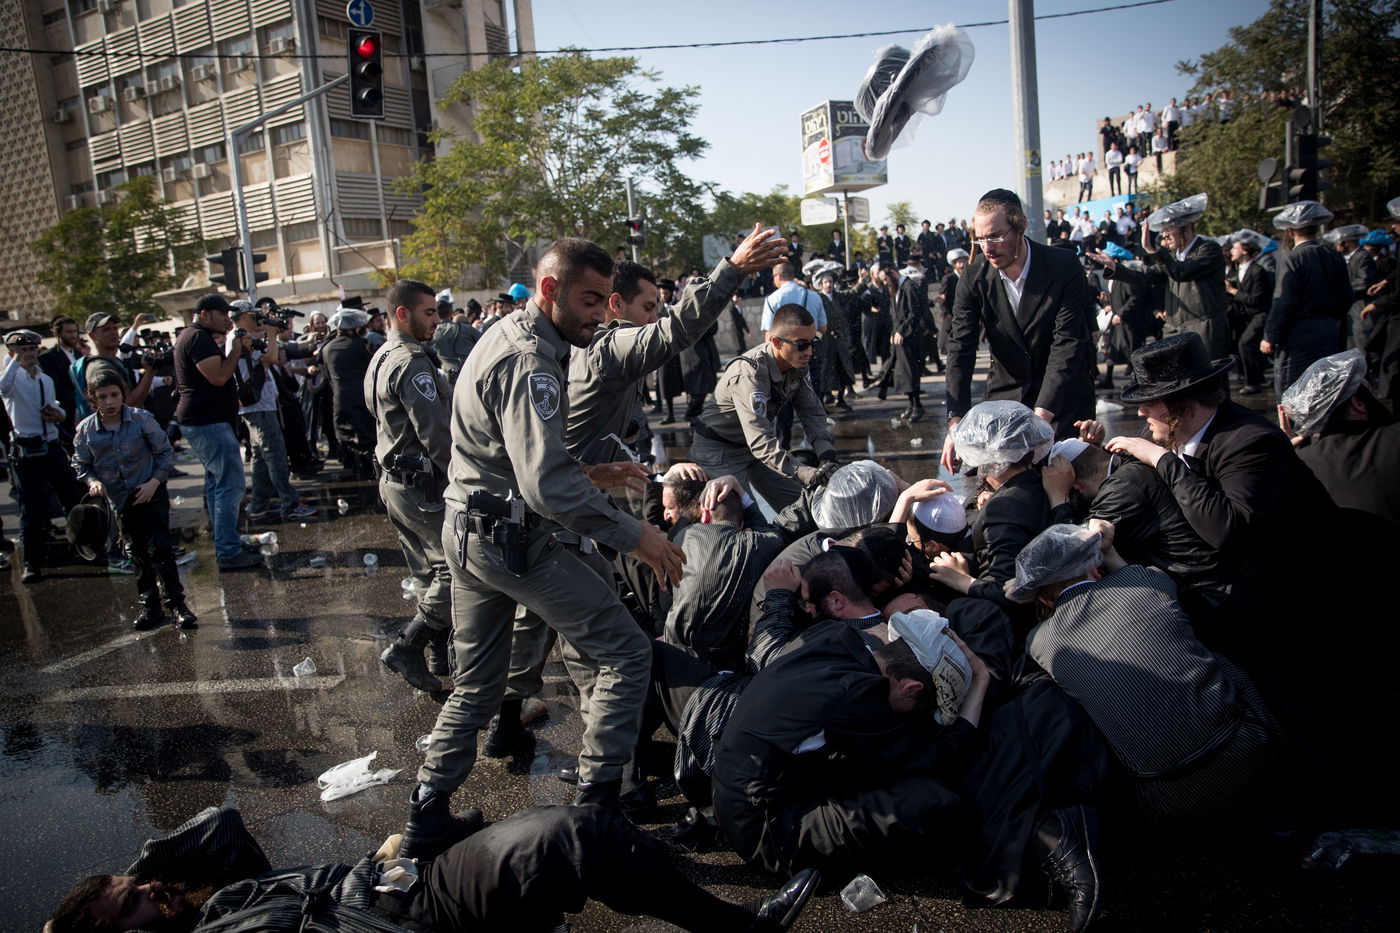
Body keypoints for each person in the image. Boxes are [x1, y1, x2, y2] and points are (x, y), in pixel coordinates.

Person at [401, 238, 686, 860]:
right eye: (589, 300)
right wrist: (637, 535)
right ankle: (595, 818)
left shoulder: (511, 336)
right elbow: (543, 485)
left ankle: (425, 821)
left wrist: (594, 475)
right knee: (626, 654)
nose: (601, 315)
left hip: (473, 532)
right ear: (550, 290)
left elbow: (508, 459)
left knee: (476, 686)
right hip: (514, 540)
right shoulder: (532, 361)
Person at [47, 804, 819, 933]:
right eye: (134, 905)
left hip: (400, 885)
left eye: (139, 885)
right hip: (418, 916)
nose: (151, 890)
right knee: (573, 837)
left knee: (593, 838)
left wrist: (142, 866)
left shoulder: (212, 906)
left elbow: (217, 829)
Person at [1009, 522, 1284, 825]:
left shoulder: (1040, 642)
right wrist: (1110, 550)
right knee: (1214, 657)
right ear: (1095, 567)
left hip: (1169, 800)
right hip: (1253, 754)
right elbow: (1133, 575)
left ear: (1044, 600)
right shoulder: (1144, 582)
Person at [1104, 333, 1336, 674]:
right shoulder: (1175, 430)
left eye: (1149, 402)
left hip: (1296, 600)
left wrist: (1162, 460)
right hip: (1241, 585)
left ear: (1181, 403)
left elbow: (1225, 528)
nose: (1140, 412)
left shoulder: (1250, 441)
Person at [712, 607, 990, 877]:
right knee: (935, 802)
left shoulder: (833, 636)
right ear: (911, 688)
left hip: (737, 790)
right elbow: (942, 759)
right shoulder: (860, 696)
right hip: (765, 832)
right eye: (921, 707)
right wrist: (981, 681)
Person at [942, 188, 1095, 472]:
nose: (987, 248)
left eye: (996, 236)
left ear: (1021, 225)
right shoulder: (973, 278)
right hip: (1006, 399)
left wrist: (1040, 417)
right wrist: (956, 423)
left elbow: (1068, 342)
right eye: (980, 238)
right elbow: (960, 350)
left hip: (1062, 400)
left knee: (1066, 489)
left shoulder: (1063, 266)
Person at [364, 280, 457, 693]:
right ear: (403, 314)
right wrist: (463, 479)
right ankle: (408, 646)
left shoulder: (382, 355)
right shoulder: (410, 361)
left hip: (395, 480)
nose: (438, 320)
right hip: (421, 485)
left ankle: (436, 655)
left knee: (426, 572)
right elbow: (436, 433)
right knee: (455, 571)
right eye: (429, 313)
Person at [71, 369, 198, 630]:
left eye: (114, 395)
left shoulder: (141, 419)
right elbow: (80, 464)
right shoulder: (86, 430)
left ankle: (177, 605)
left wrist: (154, 482)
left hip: (150, 492)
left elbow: (164, 454)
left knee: (161, 550)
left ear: (123, 395)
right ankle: (150, 607)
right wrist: (93, 482)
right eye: (102, 396)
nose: (109, 402)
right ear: (93, 398)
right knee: (136, 553)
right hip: (120, 499)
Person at [689, 304, 837, 511]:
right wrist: (807, 473)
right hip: (719, 451)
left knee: (803, 509)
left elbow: (811, 411)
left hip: (754, 446)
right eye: (802, 345)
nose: (809, 351)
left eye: (813, 343)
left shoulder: (796, 363)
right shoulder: (750, 373)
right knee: (743, 521)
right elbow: (760, 441)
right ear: (776, 342)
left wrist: (826, 454)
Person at [660, 474, 785, 670]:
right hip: (729, 662)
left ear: (705, 514)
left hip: (675, 651)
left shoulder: (683, 536)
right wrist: (738, 486)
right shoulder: (761, 543)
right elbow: (765, 528)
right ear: (742, 524)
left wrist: (673, 472)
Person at [172, 295, 260, 570]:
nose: (227, 319)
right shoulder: (197, 338)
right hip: (207, 422)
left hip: (209, 421)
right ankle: (228, 550)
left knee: (216, 485)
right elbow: (219, 376)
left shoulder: (198, 336)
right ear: (204, 314)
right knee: (229, 487)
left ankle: (228, 542)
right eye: (222, 314)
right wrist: (235, 349)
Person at [1092, 193, 1232, 360]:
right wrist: (1116, 267)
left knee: (1208, 383)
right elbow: (1146, 276)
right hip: (1175, 330)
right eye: (1163, 230)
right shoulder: (1172, 259)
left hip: (1204, 330)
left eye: (1169, 229)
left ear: (1186, 226)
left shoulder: (1208, 250)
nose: (1164, 236)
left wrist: (1154, 251)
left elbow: (1182, 272)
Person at [1, 329, 87, 583]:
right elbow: (3, 389)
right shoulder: (12, 378)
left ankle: (82, 548)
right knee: (31, 509)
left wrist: (58, 415)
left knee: (71, 496)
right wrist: (14, 362)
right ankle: (32, 562)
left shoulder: (44, 379)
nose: (28, 355)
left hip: (50, 444)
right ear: (13, 353)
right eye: (22, 350)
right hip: (26, 450)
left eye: (31, 350)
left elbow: (55, 404)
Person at [1280, 348, 1400, 524]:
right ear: (1358, 403)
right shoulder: (1394, 439)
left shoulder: (1299, 465)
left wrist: (1286, 453)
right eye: (1371, 393)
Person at [227, 302, 317, 524]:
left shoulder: (242, 335)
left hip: (260, 405)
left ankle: (259, 503)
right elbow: (272, 357)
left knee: (260, 458)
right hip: (259, 407)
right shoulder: (240, 337)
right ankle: (290, 503)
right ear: (245, 316)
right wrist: (270, 331)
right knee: (275, 455)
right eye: (255, 316)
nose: (258, 319)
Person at [1263, 201, 1351, 398]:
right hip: (1329, 331)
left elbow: (1284, 302)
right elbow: (1346, 296)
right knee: (1324, 387)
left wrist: (1270, 336)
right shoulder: (1333, 256)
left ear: (1290, 231)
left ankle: (1294, 430)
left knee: (1294, 390)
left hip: (1298, 335)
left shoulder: (1292, 258)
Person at [321, 306, 377, 478]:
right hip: (361, 396)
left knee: (345, 435)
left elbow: (328, 377)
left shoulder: (327, 348)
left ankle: (352, 467)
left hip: (339, 397)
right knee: (367, 435)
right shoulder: (361, 344)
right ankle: (370, 470)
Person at [875, 261, 932, 421]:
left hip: (910, 338)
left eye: (885, 279)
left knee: (911, 372)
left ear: (893, 272)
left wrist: (901, 331)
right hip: (900, 339)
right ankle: (911, 404)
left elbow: (914, 313)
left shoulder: (909, 287)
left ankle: (917, 406)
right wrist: (894, 332)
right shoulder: (897, 289)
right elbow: (894, 315)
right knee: (903, 373)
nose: (885, 283)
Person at [1224, 230, 1275, 395]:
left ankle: (1252, 383)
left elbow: (1256, 300)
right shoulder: (1238, 270)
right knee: (1247, 346)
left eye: (1235, 248)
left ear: (1245, 251)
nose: (1231, 250)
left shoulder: (1257, 271)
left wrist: (1233, 291)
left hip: (1260, 314)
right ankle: (1256, 377)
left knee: (1245, 344)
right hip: (1245, 316)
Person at [1325, 223, 1378, 351]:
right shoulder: (1350, 257)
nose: (1336, 246)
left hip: (1361, 304)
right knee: (1352, 343)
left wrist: (1343, 289)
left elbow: (1364, 281)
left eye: (1338, 243)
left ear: (1346, 242)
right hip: (1352, 307)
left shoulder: (1362, 256)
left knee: (1362, 343)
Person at [38, 315, 81, 448]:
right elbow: (57, 389)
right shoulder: (47, 358)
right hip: (66, 417)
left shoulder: (79, 355)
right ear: (57, 333)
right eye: (68, 332)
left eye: (75, 331)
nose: (73, 335)